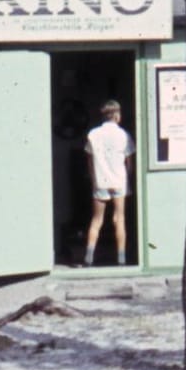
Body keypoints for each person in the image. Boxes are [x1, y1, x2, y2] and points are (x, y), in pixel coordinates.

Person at [83, 100, 134, 267]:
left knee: (96, 220)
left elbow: (89, 161)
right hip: (119, 180)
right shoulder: (124, 135)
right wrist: (129, 179)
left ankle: (89, 257)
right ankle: (121, 258)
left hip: (100, 180)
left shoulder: (93, 134)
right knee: (119, 219)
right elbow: (129, 163)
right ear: (117, 115)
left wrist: (93, 179)